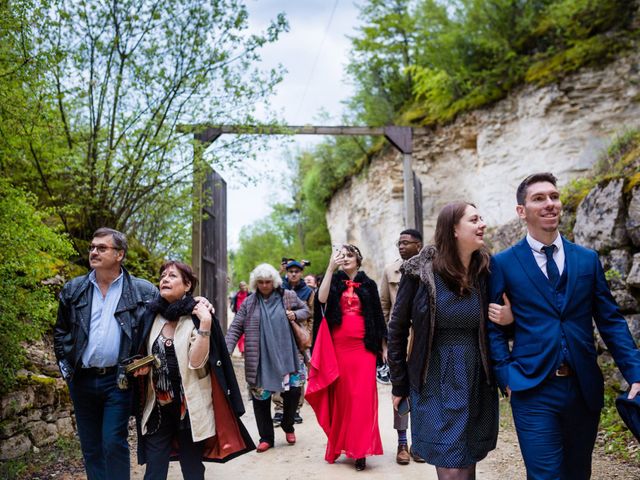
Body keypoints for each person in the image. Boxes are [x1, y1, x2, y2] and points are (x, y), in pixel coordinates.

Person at [487, 172, 640, 480]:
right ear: (522, 211)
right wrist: (506, 375)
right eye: (539, 198)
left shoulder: (586, 259)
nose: (550, 204)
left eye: (554, 197)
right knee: (545, 476)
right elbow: (493, 326)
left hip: (583, 387)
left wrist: (635, 372)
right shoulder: (502, 263)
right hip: (532, 387)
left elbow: (610, 321)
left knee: (577, 473)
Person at [388, 202, 499, 480]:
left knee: (467, 461)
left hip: (476, 375)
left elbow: (500, 325)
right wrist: (400, 382)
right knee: (450, 469)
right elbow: (397, 329)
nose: (482, 224)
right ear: (454, 229)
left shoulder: (486, 269)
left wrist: (507, 320)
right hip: (434, 375)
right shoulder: (419, 272)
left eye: (481, 218)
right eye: (474, 219)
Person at [53, 228, 159, 480]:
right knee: (91, 447)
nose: (94, 252)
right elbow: (61, 332)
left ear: (119, 254)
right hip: (82, 379)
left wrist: (200, 304)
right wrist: (67, 372)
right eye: (92, 247)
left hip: (118, 380)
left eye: (102, 248)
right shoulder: (74, 289)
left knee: (113, 441)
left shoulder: (142, 292)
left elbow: (166, 317)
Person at [134, 261, 254, 479]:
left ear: (187, 285)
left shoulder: (198, 316)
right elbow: (141, 351)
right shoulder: (150, 315)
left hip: (189, 409)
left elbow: (196, 362)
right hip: (157, 408)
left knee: (192, 469)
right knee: (153, 470)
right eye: (162, 276)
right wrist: (142, 368)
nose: (164, 279)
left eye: (172, 276)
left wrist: (206, 324)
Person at [308, 244, 386, 471]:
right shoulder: (334, 281)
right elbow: (321, 300)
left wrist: (384, 347)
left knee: (361, 399)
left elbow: (378, 317)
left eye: (350, 255)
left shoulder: (369, 284)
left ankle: (360, 451)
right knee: (342, 399)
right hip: (338, 348)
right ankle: (338, 445)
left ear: (359, 259)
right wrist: (331, 269)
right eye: (343, 256)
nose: (346, 258)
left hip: (364, 348)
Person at [225, 263, 310, 452]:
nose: (264, 285)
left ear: (274, 282)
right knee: (260, 398)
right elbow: (236, 327)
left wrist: (294, 314)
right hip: (261, 358)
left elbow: (306, 311)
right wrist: (227, 349)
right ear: (256, 282)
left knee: (293, 393)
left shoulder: (287, 296)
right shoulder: (249, 302)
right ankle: (266, 438)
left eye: (268, 282)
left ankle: (288, 425)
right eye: (261, 282)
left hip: (288, 356)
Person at [379, 228, 424, 465]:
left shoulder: (431, 268)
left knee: (423, 392)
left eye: (406, 243)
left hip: (422, 340)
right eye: (399, 243)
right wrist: (387, 344)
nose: (401, 246)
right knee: (401, 391)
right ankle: (402, 443)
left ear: (419, 245)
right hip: (400, 339)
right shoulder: (390, 270)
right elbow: (385, 308)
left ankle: (420, 443)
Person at [273, 260, 315, 426]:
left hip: (299, 338)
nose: (294, 274)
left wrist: (308, 334)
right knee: (278, 371)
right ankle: (279, 408)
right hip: (279, 337)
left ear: (301, 273)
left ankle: (296, 409)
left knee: (299, 373)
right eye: (291, 271)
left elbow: (311, 315)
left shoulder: (308, 292)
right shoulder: (278, 288)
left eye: (297, 271)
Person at [230, 281, 250, 356]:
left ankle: (246, 350)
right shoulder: (237, 296)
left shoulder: (250, 295)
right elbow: (233, 305)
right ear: (239, 287)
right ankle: (242, 351)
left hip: (248, 317)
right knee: (240, 335)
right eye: (241, 286)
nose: (243, 287)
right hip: (239, 317)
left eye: (244, 285)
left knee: (247, 334)